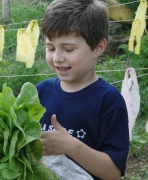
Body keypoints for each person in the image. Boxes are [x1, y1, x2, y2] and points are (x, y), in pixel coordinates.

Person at [36, 0, 129, 179]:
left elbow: (113, 171)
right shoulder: (39, 92)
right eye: (51, 48)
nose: (57, 58)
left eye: (68, 49)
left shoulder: (108, 100)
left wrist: (72, 146)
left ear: (98, 47)